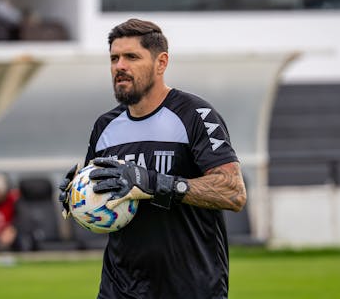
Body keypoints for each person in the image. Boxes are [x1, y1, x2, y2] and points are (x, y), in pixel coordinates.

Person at [59, 19, 247, 298]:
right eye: (114, 58)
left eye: (131, 57)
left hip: (190, 287)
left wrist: (152, 183)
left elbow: (232, 192)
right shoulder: (105, 126)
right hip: (120, 288)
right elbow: (106, 200)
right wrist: (79, 198)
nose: (119, 66)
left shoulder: (195, 115)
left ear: (161, 63)